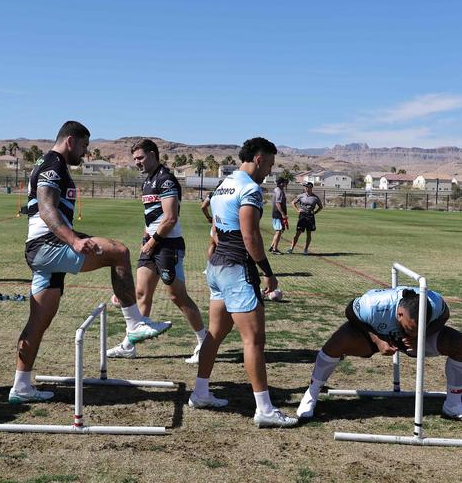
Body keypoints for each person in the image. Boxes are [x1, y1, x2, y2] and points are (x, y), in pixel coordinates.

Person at [8, 121, 170, 404]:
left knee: (39, 321)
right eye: (84, 146)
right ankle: (134, 325)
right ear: (70, 141)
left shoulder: (52, 164)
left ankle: (20, 386)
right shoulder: (53, 164)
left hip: (44, 251)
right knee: (118, 252)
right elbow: (46, 208)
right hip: (47, 247)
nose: (84, 153)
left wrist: (77, 236)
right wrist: (73, 240)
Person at [187, 137, 298, 428]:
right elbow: (251, 237)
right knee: (254, 340)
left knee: (214, 333)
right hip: (237, 270)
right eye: (270, 164)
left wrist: (216, 246)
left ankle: (200, 392)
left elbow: (214, 226)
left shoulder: (223, 184)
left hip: (216, 268)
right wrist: (268, 272)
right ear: (259, 159)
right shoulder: (249, 189)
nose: (270, 171)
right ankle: (264, 409)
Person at [107, 139, 206, 363]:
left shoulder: (166, 180)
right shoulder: (148, 181)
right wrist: (146, 238)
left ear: (153, 155)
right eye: (135, 160)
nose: (137, 163)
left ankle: (203, 341)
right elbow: (151, 217)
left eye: (140, 158)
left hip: (167, 246)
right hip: (152, 243)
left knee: (176, 296)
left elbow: (170, 218)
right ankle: (129, 345)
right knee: (141, 293)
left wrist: (152, 242)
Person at [297, 286, 462, 420]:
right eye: (410, 328)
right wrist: (377, 340)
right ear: (400, 314)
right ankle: (311, 395)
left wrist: (420, 335)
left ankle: (453, 406)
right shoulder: (374, 305)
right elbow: (350, 311)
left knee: (459, 344)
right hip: (377, 332)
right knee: (337, 342)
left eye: (419, 327)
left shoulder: (435, 303)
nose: (413, 332)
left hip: (415, 342)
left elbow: (445, 315)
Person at [287, 182, 322, 255]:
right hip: (302, 216)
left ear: (311, 188)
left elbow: (320, 207)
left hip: (310, 216)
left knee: (309, 233)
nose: (306, 188)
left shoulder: (315, 197)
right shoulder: (301, 196)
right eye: (305, 187)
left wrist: (315, 212)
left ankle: (306, 249)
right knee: (298, 233)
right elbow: (293, 203)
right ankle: (291, 248)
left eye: (308, 187)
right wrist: (297, 210)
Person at [200, 180, 223, 259]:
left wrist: (208, 217)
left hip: (215, 221)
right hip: (227, 222)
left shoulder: (212, 194)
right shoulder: (230, 193)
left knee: (213, 244)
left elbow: (203, 206)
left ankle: (210, 266)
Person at [268, 177, 288, 254]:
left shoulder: (277, 190)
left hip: (278, 214)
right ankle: (274, 249)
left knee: (280, 230)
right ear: (281, 183)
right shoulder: (279, 191)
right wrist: (283, 214)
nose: (286, 184)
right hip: (278, 214)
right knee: (278, 231)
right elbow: (277, 203)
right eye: (285, 182)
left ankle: (272, 246)